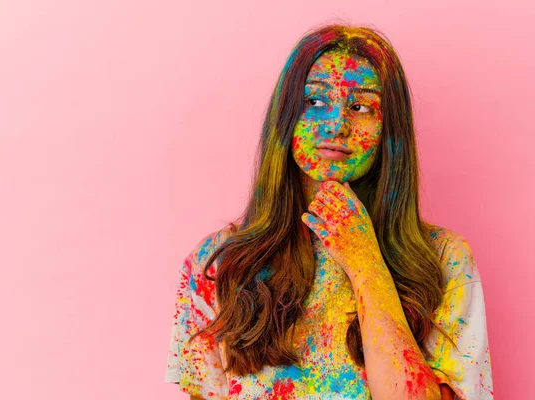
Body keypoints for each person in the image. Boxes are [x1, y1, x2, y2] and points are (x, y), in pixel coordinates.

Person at [164, 23, 494, 400]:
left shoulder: (444, 259)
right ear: (287, 118)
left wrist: (367, 265)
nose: (337, 125)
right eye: (316, 102)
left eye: (360, 107)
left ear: (390, 128)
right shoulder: (217, 263)